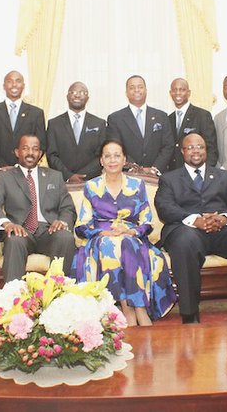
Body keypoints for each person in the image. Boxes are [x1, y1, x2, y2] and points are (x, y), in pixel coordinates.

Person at [155, 133, 227, 329]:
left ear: (206, 150)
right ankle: (190, 312)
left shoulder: (223, 176)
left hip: (221, 229)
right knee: (184, 242)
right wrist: (195, 220)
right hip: (187, 229)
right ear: (182, 152)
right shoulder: (169, 179)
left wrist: (223, 219)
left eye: (200, 147)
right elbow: (165, 207)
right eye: (190, 147)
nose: (195, 151)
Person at [72, 139, 176, 326]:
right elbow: (82, 224)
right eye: (107, 156)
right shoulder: (92, 186)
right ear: (101, 161)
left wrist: (130, 230)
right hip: (102, 238)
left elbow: (147, 221)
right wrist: (100, 233)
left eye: (117, 155)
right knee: (111, 245)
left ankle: (139, 308)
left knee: (126, 243)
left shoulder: (137, 185)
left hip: (131, 236)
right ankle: (128, 308)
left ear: (124, 159)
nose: (112, 160)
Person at [0, 134, 76, 281]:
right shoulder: (5, 177)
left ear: (40, 154)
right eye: (25, 148)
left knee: (65, 237)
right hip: (21, 230)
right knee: (14, 240)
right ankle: (13, 297)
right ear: (17, 152)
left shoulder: (54, 176)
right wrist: (7, 224)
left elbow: (68, 207)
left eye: (35, 149)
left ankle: (59, 294)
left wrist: (62, 222)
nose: (30, 153)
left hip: (49, 231)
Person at [0, 70, 47, 193]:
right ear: (4, 86)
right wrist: (2, 166)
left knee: (27, 211)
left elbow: (41, 144)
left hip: (27, 175)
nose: (14, 85)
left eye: (18, 81)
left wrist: (19, 166)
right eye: (9, 81)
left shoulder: (36, 113)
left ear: (23, 86)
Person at [107, 75, 174, 174]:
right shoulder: (115, 119)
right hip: (128, 176)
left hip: (158, 176)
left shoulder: (161, 116)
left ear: (146, 90)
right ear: (126, 93)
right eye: (132, 88)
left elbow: (168, 145)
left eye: (140, 87)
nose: (136, 90)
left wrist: (155, 168)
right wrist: (135, 168)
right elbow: (116, 148)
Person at [46, 82, 106, 183]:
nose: (77, 95)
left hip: (92, 181)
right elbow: (51, 155)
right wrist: (69, 175)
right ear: (67, 96)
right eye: (73, 92)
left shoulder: (100, 123)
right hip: (61, 181)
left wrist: (83, 176)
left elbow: (101, 155)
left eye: (82, 92)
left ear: (87, 98)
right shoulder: (54, 124)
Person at [167, 78, 218, 170]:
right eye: (175, 90)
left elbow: (211, 148)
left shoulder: (202, 115)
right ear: (170, 93)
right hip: (174, 175)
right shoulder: (168, 119)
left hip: (197, 172)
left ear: (189, 93)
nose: (178, 93)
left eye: (182, 90)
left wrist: (205, 172)